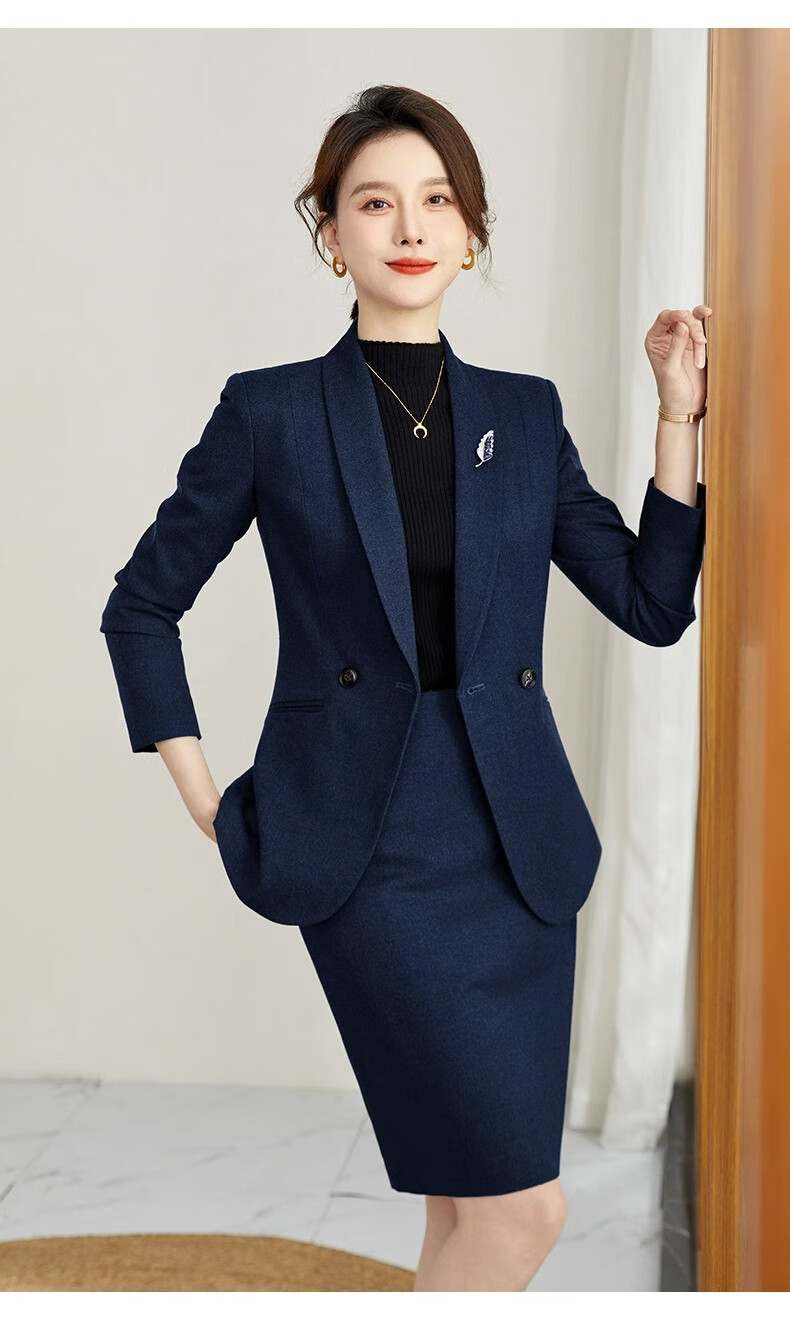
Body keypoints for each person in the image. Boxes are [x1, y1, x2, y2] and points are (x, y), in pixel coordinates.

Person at [100, 84, 709, 1292]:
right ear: (331, 233)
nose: (411, 225)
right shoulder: (272, 411)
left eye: (437, 200)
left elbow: (651, 603)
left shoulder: (523, 416)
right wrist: (203, 792)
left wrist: (676, 419)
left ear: (471, 232)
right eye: (375, 203)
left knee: (468, 1205)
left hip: (515, 848)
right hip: (365, 844)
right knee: (523, 1212)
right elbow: (142, 604)